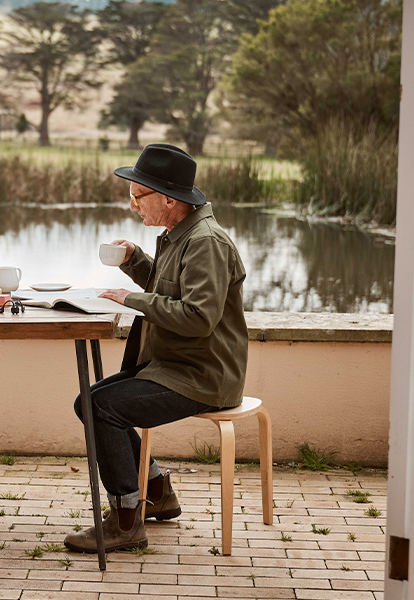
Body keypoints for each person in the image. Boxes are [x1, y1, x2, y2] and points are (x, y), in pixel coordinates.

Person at [64, 143, 249, 553]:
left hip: (200, 376)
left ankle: (127, 522)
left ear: (169, 199)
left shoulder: (206, 243)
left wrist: (128, 300)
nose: (132, 206)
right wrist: (134, 260)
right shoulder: (178, 235)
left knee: (99, 407)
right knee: (90, 402)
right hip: (172, 365)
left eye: (137, 196)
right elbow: (168, 291)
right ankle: (157, 491)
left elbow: (198, 317)